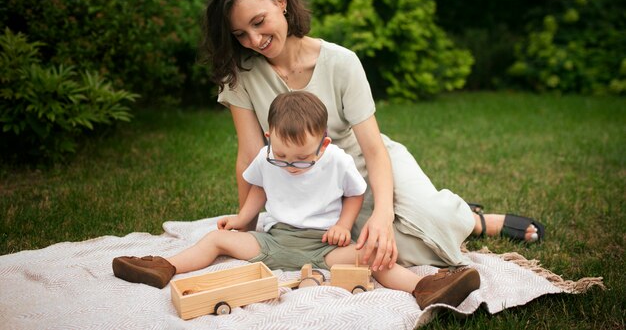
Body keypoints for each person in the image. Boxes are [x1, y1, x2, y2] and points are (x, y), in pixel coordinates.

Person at [202, 0, 544, 273]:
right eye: (240, 34)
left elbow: (374, 148)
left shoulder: (341, 61)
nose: (255, 40)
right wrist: (246, 226)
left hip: (367, 162)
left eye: (259, 23)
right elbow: (249, 154)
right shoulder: (242, 74)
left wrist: (382, 214)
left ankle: (473, 220)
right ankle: (445, 217)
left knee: (416, 225)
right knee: (385, 250)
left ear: (281, 1)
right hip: (312, 183)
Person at [112, 91, 481, 309]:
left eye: (302, 158)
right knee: (217, 238)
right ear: (270, 136)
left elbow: (357, 192)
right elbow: (258, 186)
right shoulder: (269, 155)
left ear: (322, 143)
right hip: (273, 241)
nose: (290, 166)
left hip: (323, 246)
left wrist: (341, 225)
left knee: (371, 256)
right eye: (282, 156)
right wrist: (243, 218)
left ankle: (424, 288)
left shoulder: (336, 160)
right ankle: (165, 267)